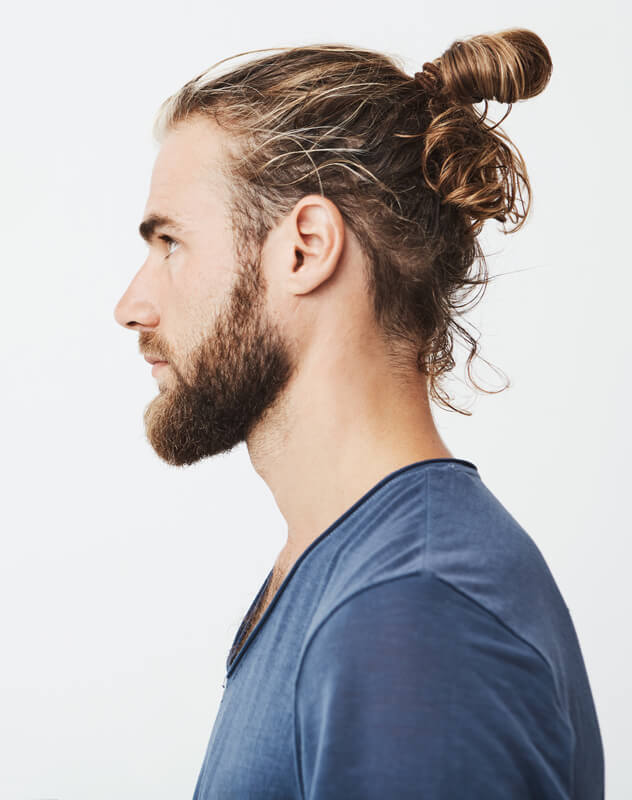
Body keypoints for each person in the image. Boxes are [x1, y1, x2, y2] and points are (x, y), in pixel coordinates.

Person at [113, 29, 604, 799]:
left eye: (170, 242)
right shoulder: (356, 575)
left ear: (305, 248)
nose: (131, 305)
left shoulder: (416, 615)